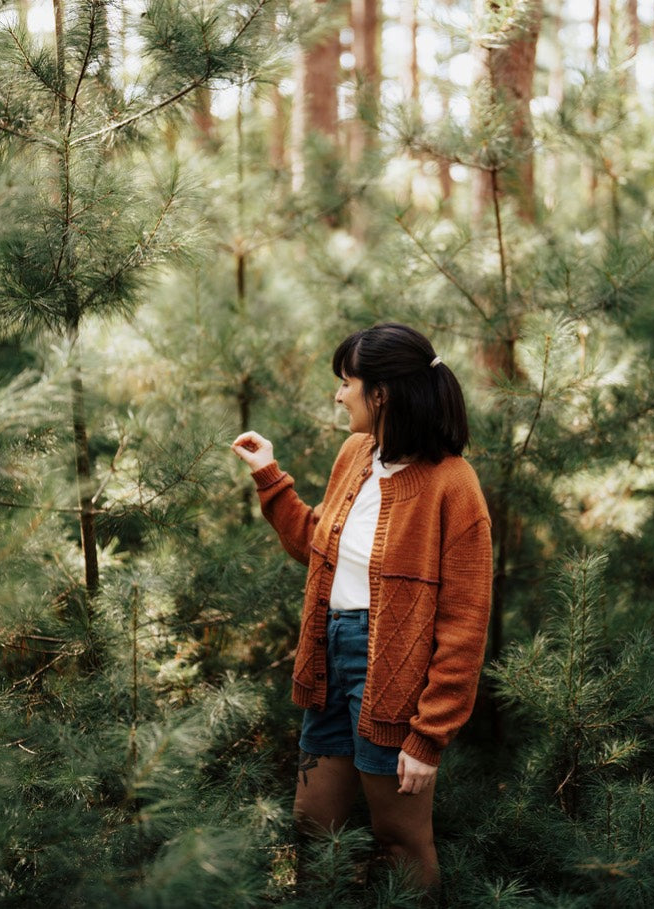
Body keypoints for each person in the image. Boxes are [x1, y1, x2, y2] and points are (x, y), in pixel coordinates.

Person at [232, 322, 492, 901]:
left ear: (382, 394)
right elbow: (315, 545)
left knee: (400, 841)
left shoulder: (454, 485)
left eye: (345, 382)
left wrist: (430, 736)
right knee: (310, 824)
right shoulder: (355, 454)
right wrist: (269, 477)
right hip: (329, 661)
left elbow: (465, 624)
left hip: (397, 676)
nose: (338, 394)